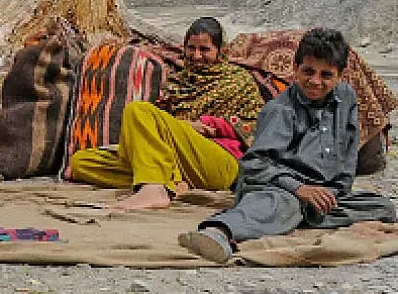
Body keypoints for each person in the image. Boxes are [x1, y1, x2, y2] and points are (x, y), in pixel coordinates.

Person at [179, 28, 396, 263]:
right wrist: (299, 189)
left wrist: (333, 193)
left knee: (382, 207)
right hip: (277, 188)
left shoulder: (346, 98)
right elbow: (254, 165)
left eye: (326, 75)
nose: (315, 81)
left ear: (340, 76)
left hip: (321, 192)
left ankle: (296, 216)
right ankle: (218, 232)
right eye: (308, 71)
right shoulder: (280, 111)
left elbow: (348, 154)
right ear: (295, 68)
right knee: (281, 205)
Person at [68, 17, 265, 210]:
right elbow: (155, 136)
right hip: (175, 162)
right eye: (191, 48)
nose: (196, 56)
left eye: (205, 49)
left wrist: (203, 124)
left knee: (138, 110)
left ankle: (153, 188)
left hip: (221, 164)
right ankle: (172, 182)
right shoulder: (177, 83)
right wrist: (181, 126)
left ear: (221, 51)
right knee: (81, 163)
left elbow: (256, 127)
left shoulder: (239, 81)